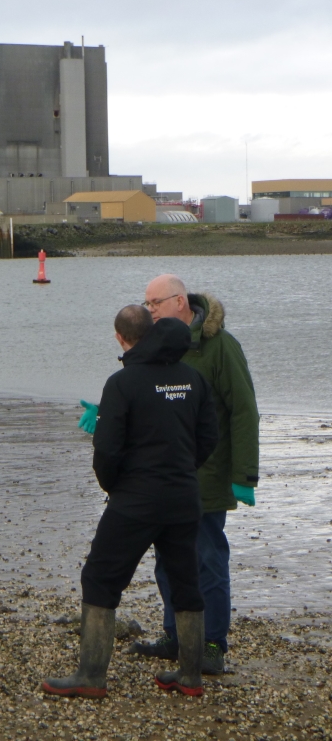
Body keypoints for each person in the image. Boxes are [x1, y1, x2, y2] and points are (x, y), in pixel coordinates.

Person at [44, 305, 218, 699]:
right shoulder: (193, 379)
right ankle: (191, 676)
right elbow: (209, 438)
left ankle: (91, 676)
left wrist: (115, 488)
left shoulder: (123, 382)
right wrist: (183, 470)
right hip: (183, 497)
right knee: (186, 582)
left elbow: (106, 450)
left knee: (101, 578)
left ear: (125, 338)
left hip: (136, 500)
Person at [128, 274, 259, 675]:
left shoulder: (219, 346)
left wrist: (245, 475)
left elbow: (243, 410)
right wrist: (106, 416)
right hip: (163, 476)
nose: (149, 310)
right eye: (146, 304)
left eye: (155, 303)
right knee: (167, 559)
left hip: (208, 474)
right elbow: (139, 395)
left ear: (181, 301)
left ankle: (214, 644)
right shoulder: (153, 346)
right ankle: (176, 636)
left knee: (207, 560)